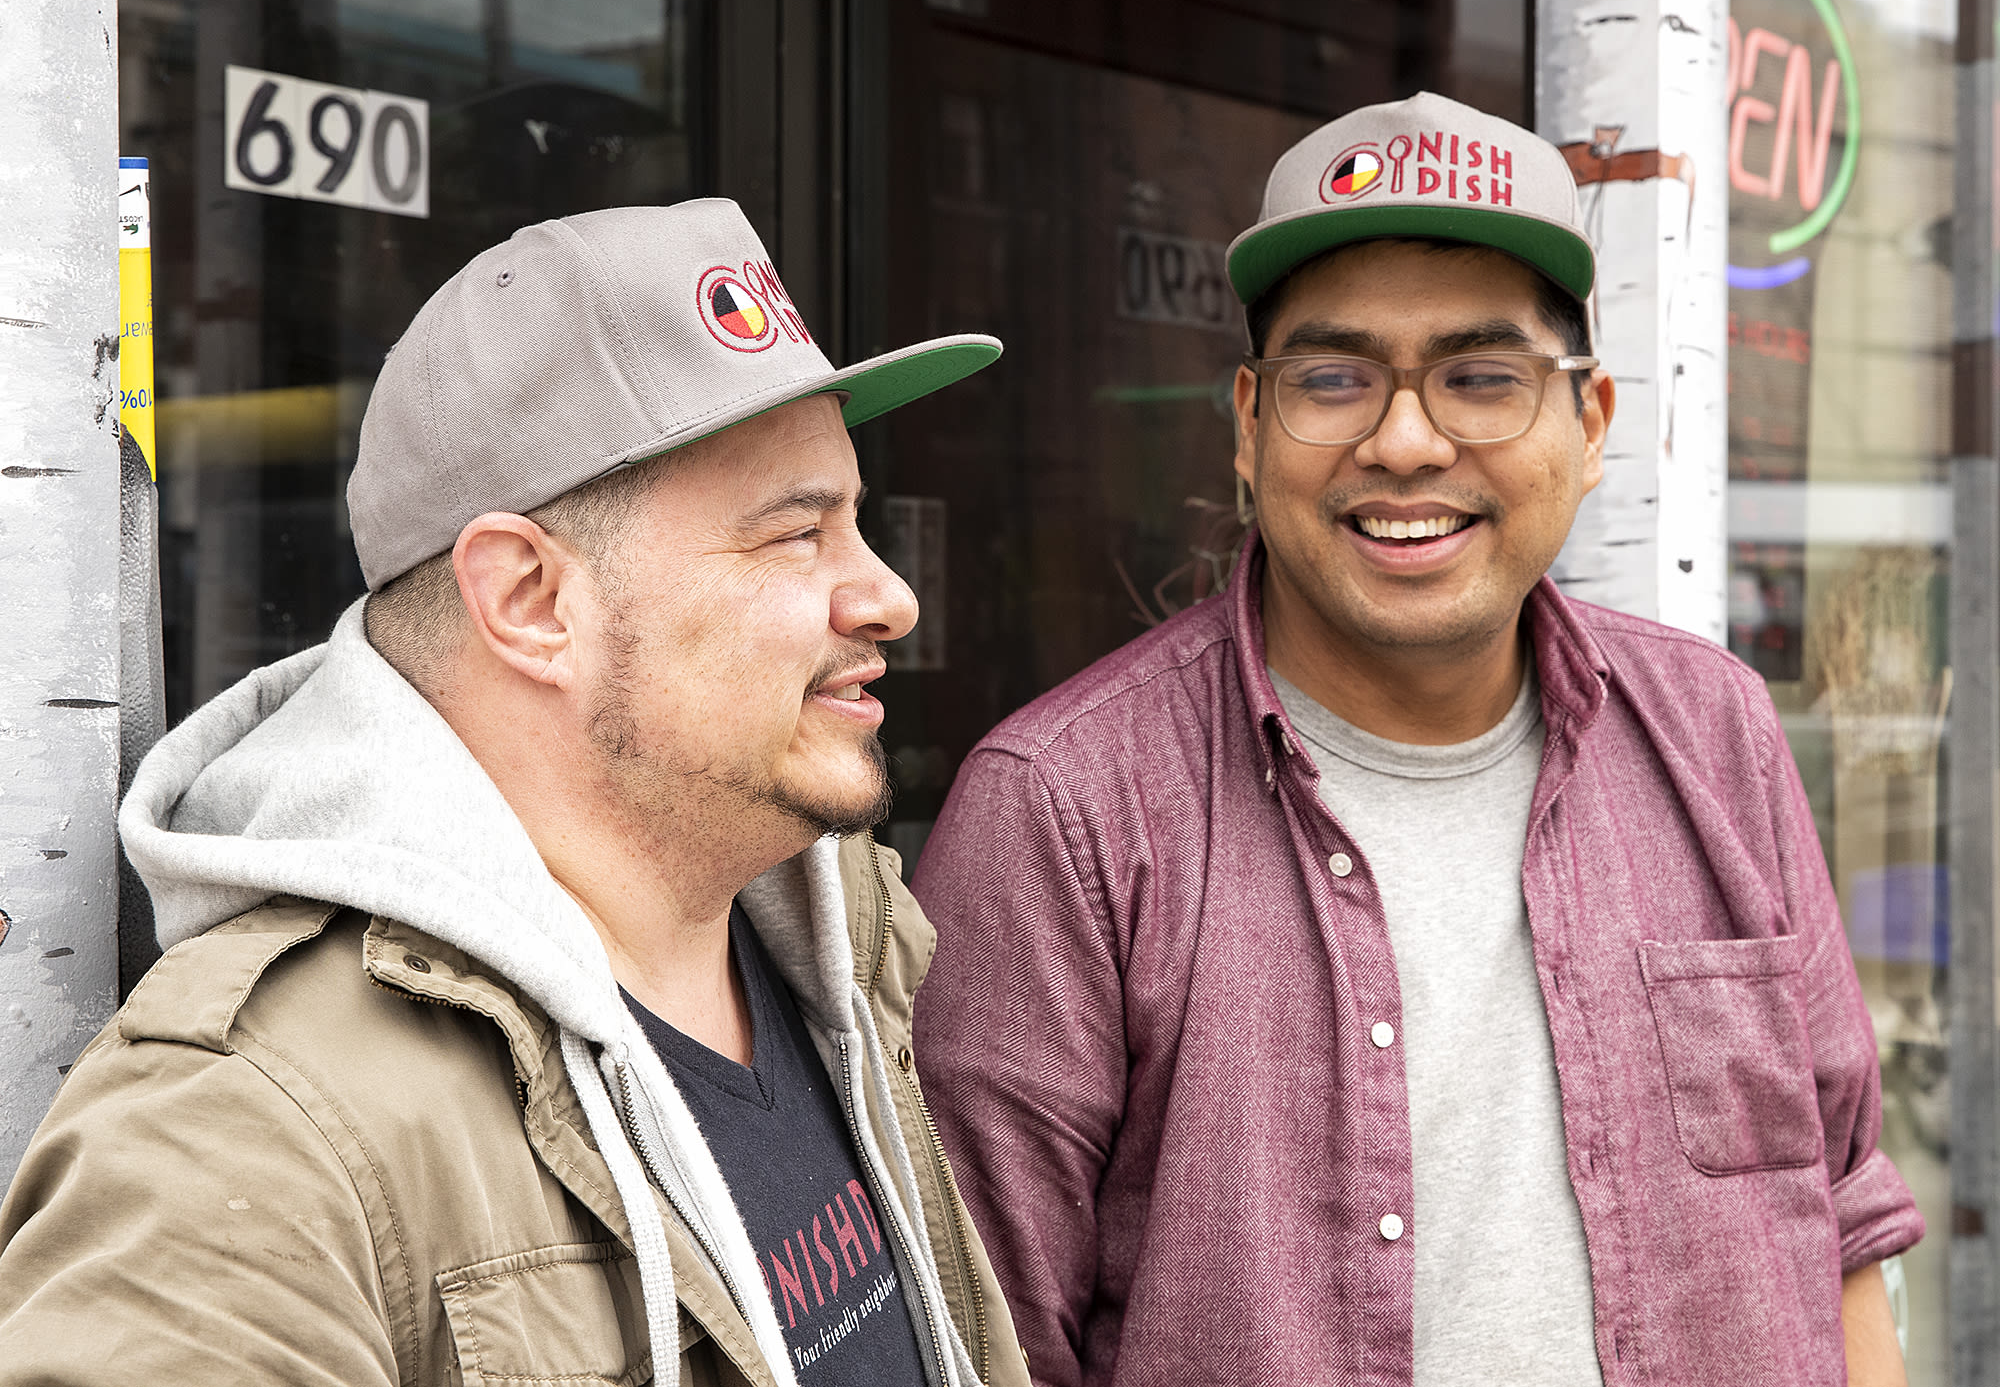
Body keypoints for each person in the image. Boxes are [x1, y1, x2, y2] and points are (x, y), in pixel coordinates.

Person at [910, 93, 1921, 1387]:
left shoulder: (1715, 730)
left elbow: (1840, 1214)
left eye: (1481, 378)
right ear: (1245, 422)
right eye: (1333, 377)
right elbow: (975, 1340)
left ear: (1594, 420)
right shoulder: (1065, 812)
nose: (1403, 440)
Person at [0, 199, 1027, 1387]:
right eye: (796, 534)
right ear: (532, 600)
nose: (887, 594)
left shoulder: (833, 937)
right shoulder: (246, 1133)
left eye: (854, 521)